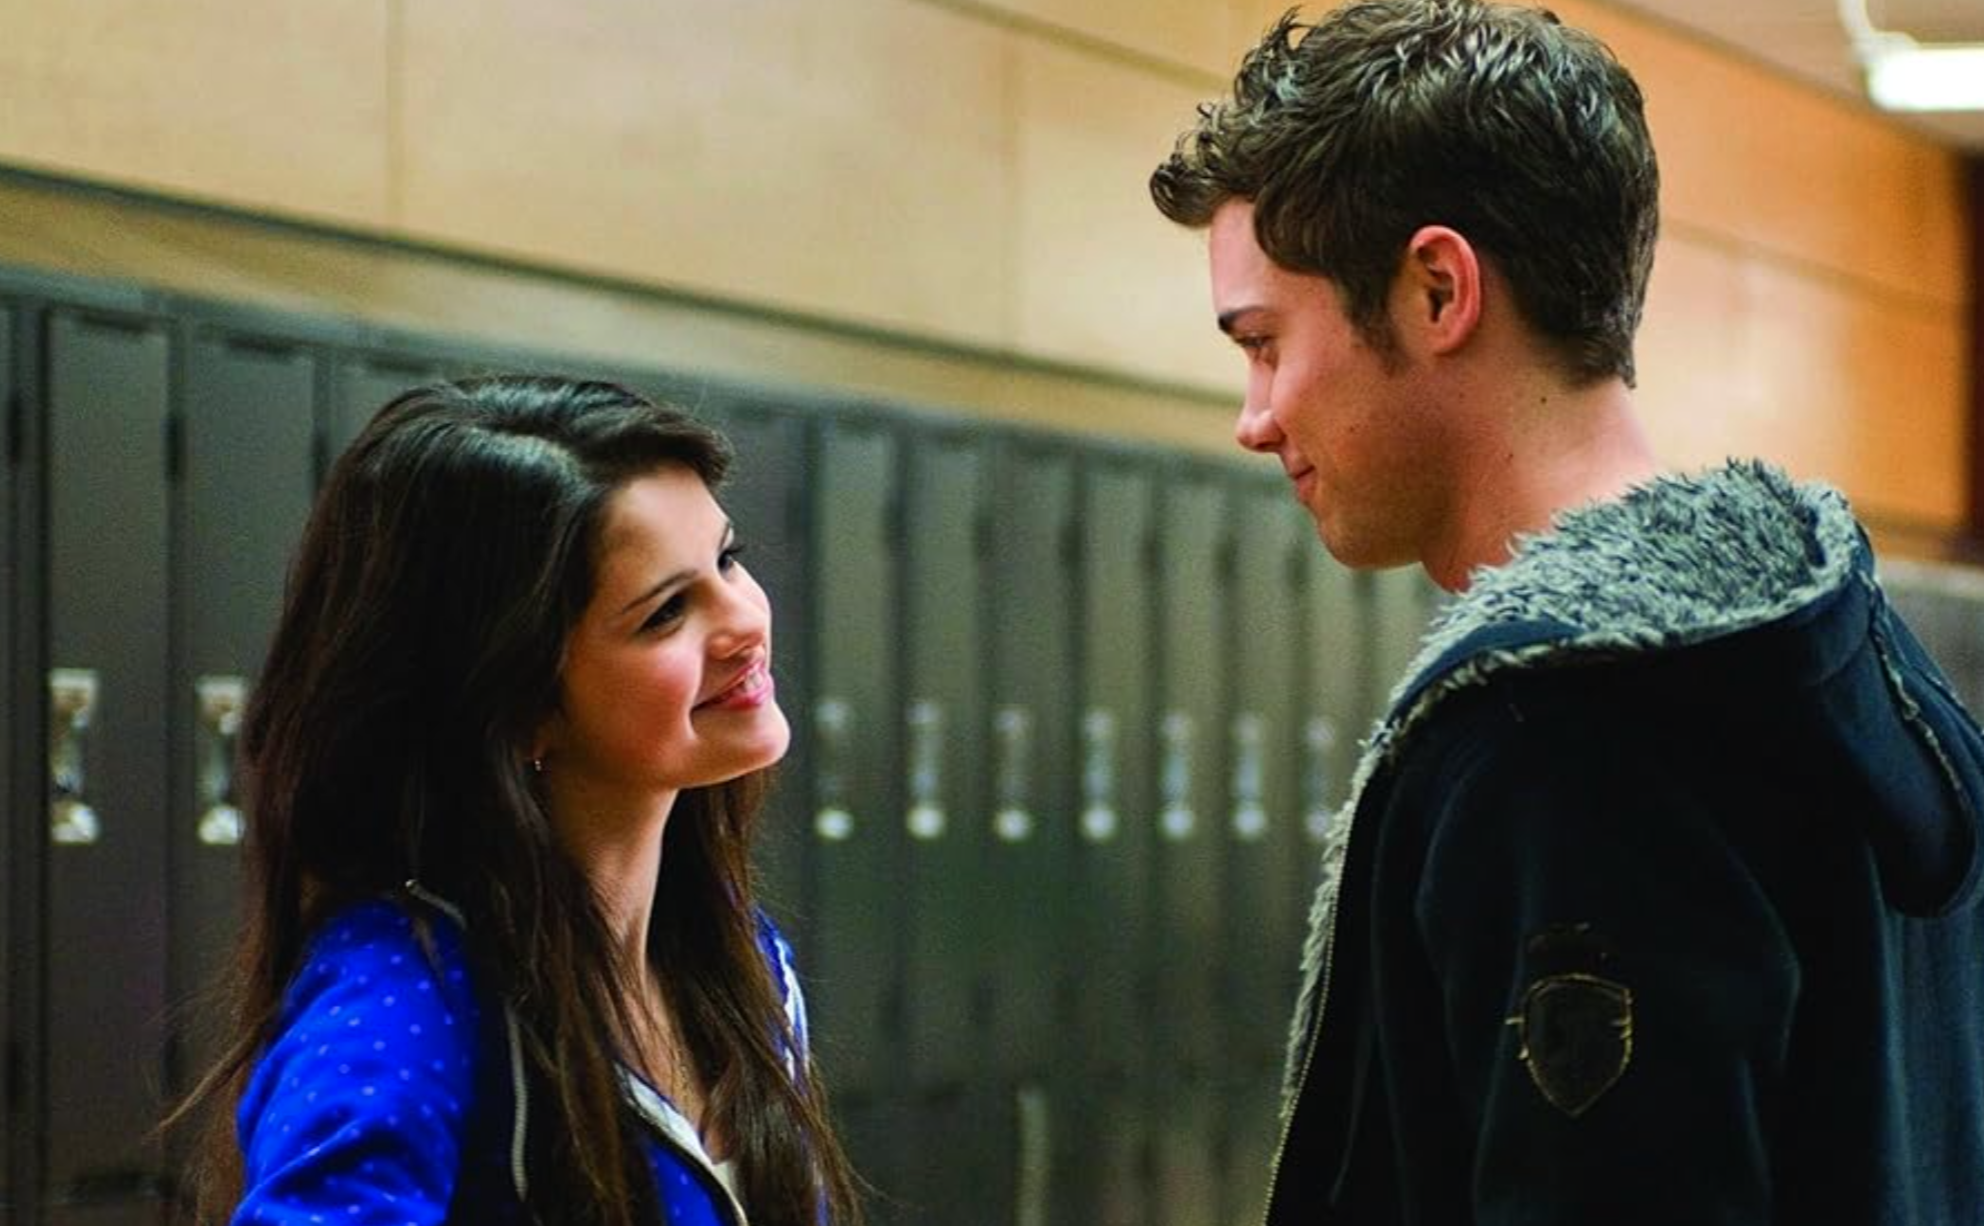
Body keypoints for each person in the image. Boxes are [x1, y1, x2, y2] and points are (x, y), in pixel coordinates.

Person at [1151, 2, 1984, 1222]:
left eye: (1265, 341)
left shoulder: (1564, 739)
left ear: (1438, 289)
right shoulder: (1843, 656)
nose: (1254, 416)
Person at [169, 375, 862, 1226]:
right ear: (520, 702)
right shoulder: (412, 992)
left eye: (727, 559)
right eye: (666, 612)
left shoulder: (747, 963)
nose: (746, 622)